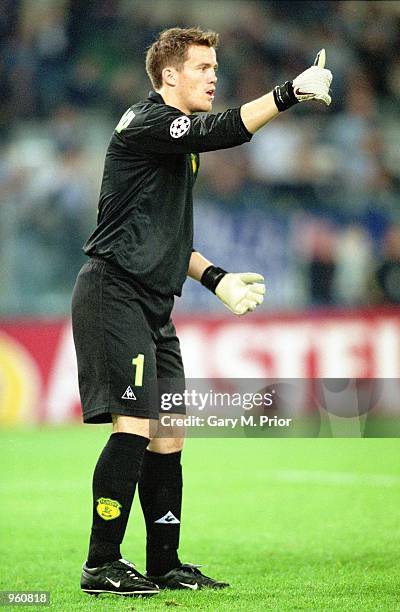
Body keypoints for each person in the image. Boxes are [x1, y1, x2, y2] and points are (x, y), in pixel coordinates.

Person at [72, 27, 332, 597]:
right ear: (170, 76)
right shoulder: (145, 124)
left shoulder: (176, 151)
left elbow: (166, 238)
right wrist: (288, 94)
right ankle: (101, 564)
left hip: (153, 304)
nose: (214, 76)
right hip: (114, 294)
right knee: (135, 426)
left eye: (215, 67)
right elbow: (224, 130)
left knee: (170, 434)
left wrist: (218, 280)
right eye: (203, 67)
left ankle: (164, 564)